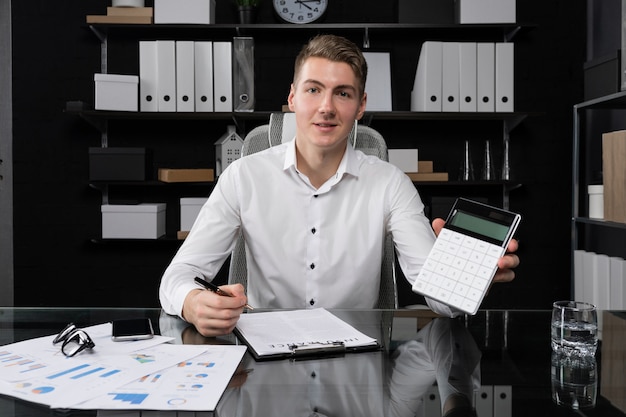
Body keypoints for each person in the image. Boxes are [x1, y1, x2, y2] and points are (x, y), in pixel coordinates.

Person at [159, 34, 520, 337]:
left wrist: (467, 280)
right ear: (292, 98)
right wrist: (192, 302)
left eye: (343, 94)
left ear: (361, 106)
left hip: (358, 364)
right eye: (313, 90)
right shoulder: (243, 176)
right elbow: (176, 277)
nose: (326, 107)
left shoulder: (390, 184)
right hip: (265, 359)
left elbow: (441, 301)